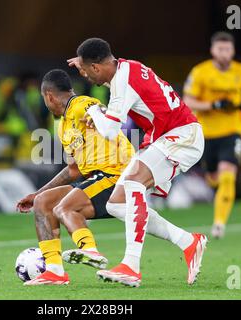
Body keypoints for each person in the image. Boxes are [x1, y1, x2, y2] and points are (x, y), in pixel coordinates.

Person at [68, 38, 207, 287]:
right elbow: (111, 120)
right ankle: (188, 242)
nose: (86, 77)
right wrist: (83, 61)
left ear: (97, 67)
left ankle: (131, 267)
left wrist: (93, 111)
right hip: (169, 137)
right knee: (117, 204)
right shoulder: (126, 68)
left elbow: (109, 130)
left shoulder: (122, 80)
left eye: (87, 71)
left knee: (133, 183)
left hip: (182, 135)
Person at [16, 69, 135, 285]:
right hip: (97, 179)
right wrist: (37, 193)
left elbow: (101, 110)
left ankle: (90, 251)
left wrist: (101, 113)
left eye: (44, 99)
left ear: (48, 96)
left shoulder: (82, 104)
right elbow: (73, 170)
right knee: (44, 203)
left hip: (117, 175)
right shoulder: (62, 126)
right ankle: (54, 272)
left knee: (63, 208)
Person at [183, 31, 241, 239]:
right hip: (206, 134)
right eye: (220, 49)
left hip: (233, 131)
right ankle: (215, 189)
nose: (224, 53)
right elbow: (188, 100)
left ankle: (219, 223)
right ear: (212, 50)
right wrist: (213, 105)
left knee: (228, 176)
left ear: (233, 50)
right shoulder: (201, 72)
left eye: (228, 49)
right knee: (212, 179)